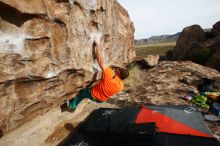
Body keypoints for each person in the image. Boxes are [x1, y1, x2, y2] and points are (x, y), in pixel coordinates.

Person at [64, 36, 129, 111]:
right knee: (94, 88)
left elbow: (100, 61)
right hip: (101, 100)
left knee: (82, 93)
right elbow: (107, 83)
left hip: (92, 95)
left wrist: (97, 45)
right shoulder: (121, 86)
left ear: (118, 72)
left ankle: (72, 106)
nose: (116, 69)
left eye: (118, 69)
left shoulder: (110, 74)